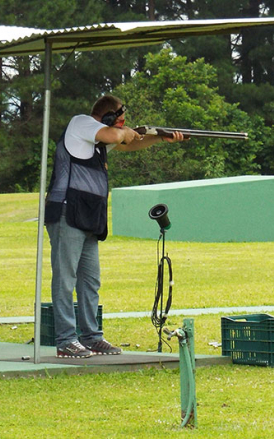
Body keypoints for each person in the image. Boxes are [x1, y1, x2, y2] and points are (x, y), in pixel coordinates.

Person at [44, 95, 185, 358]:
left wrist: (161, 138)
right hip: (66, 209)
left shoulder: (96, 141)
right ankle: (65, 340)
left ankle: (91, 337)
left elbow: (128, 144)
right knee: (65, 278)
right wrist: (124, 132)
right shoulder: (81, 124)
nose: (123, 124)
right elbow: (116, 137)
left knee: (90, 280)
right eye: (120, 119)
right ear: (107, 117)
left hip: (86, 215)